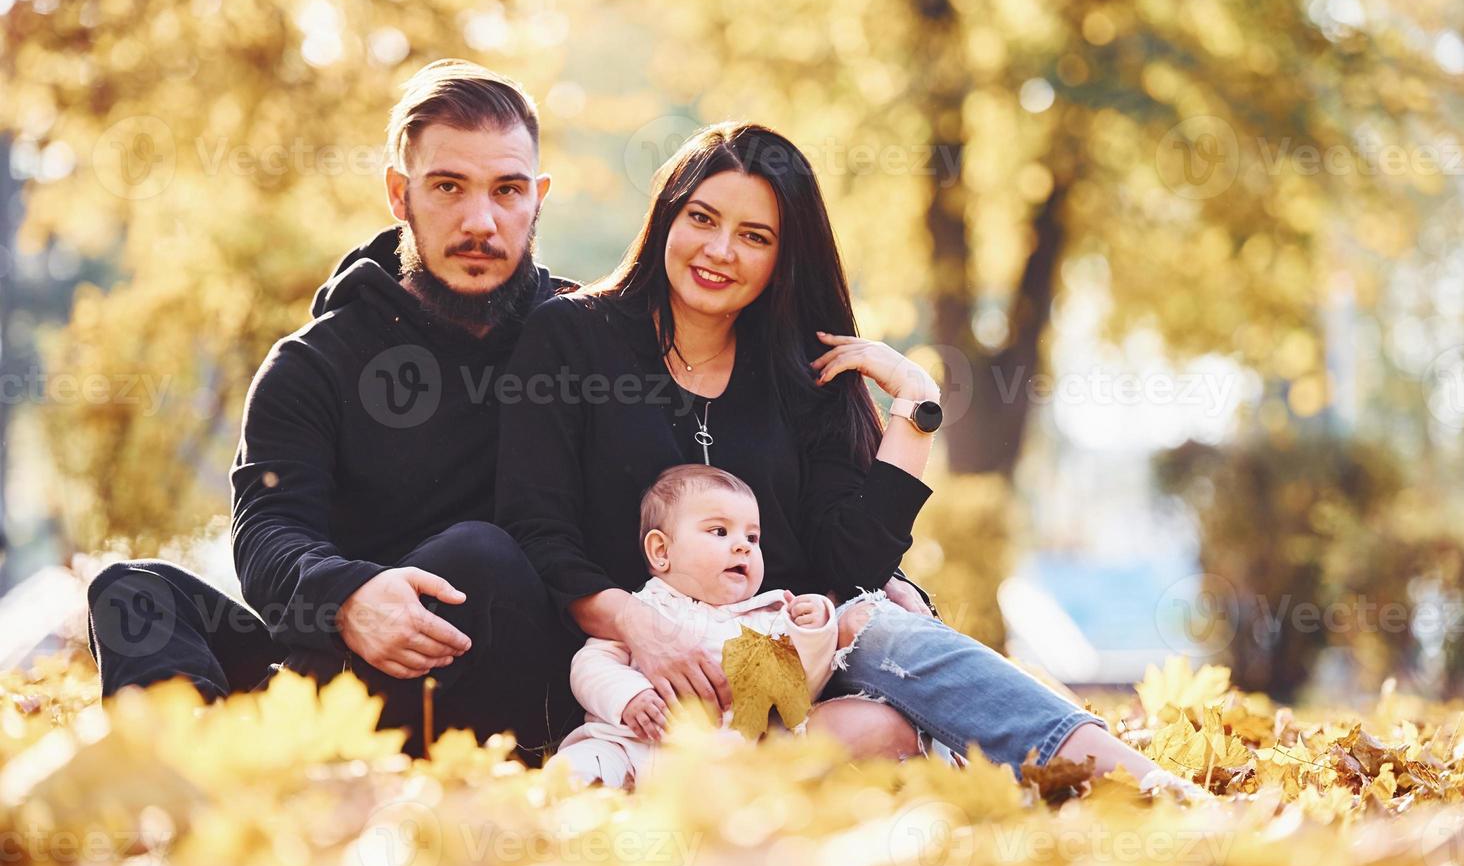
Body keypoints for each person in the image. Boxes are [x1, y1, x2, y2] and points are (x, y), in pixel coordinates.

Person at [497, 121, 1205, 796]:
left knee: (877, 674)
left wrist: (916, 410)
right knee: (877, 724)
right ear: (667, 220)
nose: (719, 251)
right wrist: (636, 625)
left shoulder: (805, 371)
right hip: (626, 685)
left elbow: (849, 568)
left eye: (755, 236)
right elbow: (536, 526)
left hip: (771, 672)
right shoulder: (573, 338)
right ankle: (680, 780)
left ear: (783, 258)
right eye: (702, 219)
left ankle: (1132, 783)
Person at [85, 60, 583, 760]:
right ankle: (193, 776)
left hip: (512, 682)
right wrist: (349, 596)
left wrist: (796, 373)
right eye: (448, 187)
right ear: (398, 194)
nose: (481, 221)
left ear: (539, 197)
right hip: (338, 673)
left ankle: (271, 761)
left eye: (508, 190)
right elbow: (269, 534)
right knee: (131, 590)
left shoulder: (587, 343)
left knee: (479, 556)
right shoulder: (312, 364)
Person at [550, 464, 838, 788]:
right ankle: (577, 795)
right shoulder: (645, 609)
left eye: (752, 537)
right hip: (628, 746)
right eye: (720, 531)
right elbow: (591, 664)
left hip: (717, 762)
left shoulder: (766, 618)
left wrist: (814, 630)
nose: (743, 545)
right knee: (586, 762)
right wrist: (629, 696)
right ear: (661, 551)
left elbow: (801, 685)